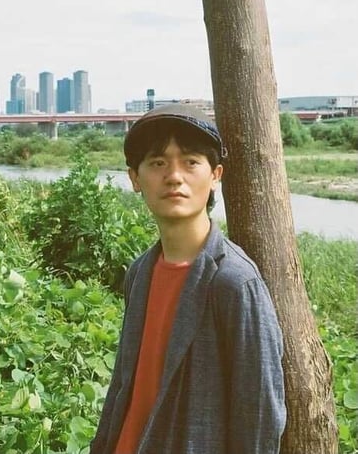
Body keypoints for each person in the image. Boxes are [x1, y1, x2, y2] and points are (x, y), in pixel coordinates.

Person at [90, 103, 286, 454]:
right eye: (158, 163)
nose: (174, 176)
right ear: (135, 178)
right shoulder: (140, 272)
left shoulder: (234, 282)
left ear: (215, 175)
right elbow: (124, 385)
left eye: (191, 162)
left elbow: (259, 417)